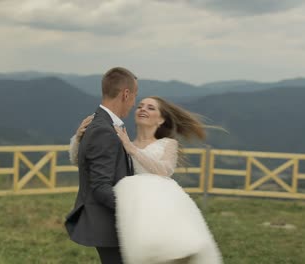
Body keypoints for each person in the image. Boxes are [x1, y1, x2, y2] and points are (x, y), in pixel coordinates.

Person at [69, 96, 223, 264]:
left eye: (150, 108)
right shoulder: (122, 142)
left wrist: (132, 149)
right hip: (135, 213)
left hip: (161, 209)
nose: (143, 109)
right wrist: (78, 138)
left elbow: (165, 170)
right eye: (140, 106)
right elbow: (83, 162)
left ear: (161, 119)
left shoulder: (168, 143)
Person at [65, 67, 138, 264]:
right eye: (134, 97)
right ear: (126, 94)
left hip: (112, 225)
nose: (134, 104)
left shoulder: (103, 125)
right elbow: (101, 187)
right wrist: (138, 210)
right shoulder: (103, 131)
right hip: (109, 226)